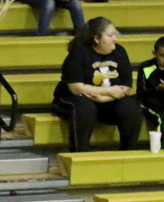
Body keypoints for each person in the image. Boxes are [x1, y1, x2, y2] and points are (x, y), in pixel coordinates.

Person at [52, 17, 143, 152]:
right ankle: (79, 154)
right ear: (97, 38)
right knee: (85, 107)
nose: (115, 38)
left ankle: (128, 152)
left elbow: (126, 86)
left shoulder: (120, 52)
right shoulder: (79, 53)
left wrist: (105, 98)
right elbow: (76, 88)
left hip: (106, 100)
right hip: (73, 99)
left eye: (115, 34)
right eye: (110, 35)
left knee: (131, 106)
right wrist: (109, 91)